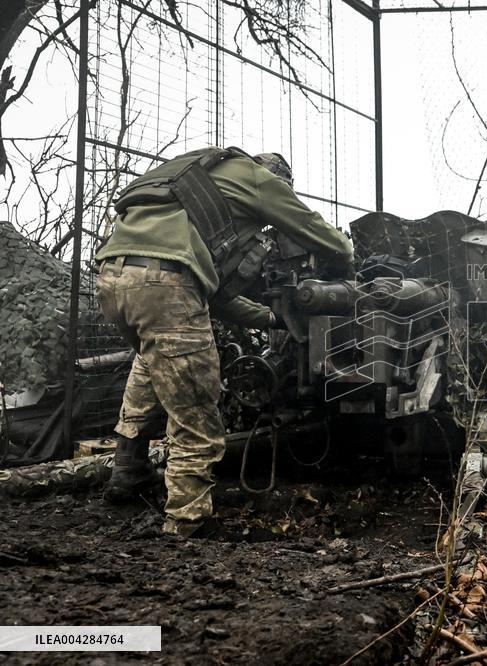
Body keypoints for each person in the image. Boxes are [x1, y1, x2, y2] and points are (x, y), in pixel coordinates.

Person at [95, 147, 353, 537]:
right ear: (277, 177)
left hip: (114, 278)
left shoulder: (197, 184)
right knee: (196, 404)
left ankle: (128, 470)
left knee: (153, 361)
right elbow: (314, 228)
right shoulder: (254, 176)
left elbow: (216, 298)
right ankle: (188, 519)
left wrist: (272, 318)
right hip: (165, 282)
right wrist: (346, 256)